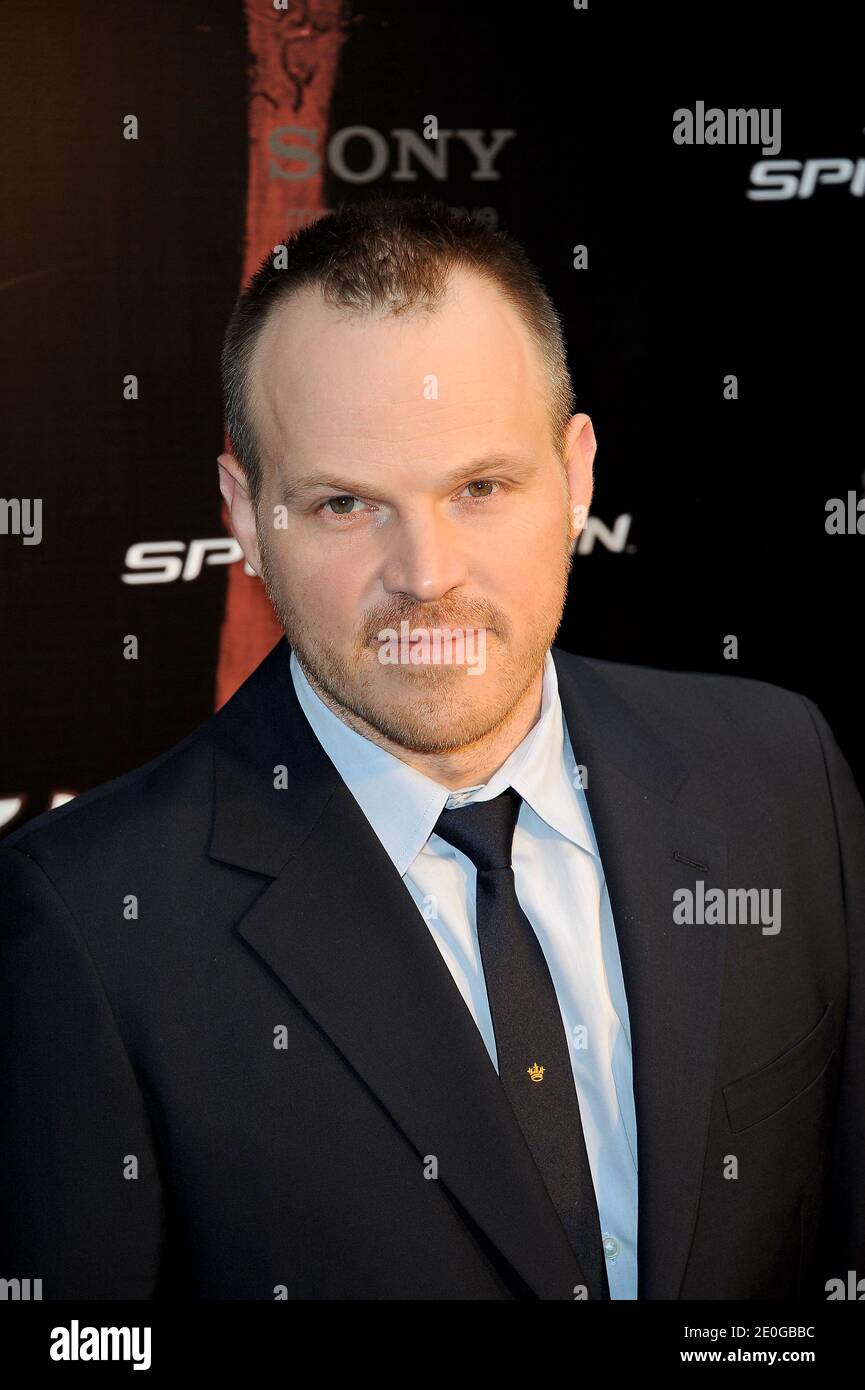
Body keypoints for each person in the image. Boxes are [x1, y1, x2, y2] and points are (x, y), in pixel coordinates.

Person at [1, 197, 862, 1300]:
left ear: (578, 475)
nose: (427, 572)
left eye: (481, 487)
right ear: (244, 514)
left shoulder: (778, 775)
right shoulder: (91, 927)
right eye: (346, 503)